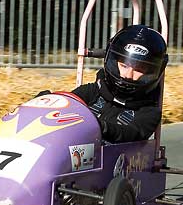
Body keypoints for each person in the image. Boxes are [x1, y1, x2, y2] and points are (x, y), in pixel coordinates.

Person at [39, 25, 168, 143]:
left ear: (151, 73)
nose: (128, 75)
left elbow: (131, 134)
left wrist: (99, 126)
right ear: (112, 62)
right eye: (124, 66)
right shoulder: (94, 91)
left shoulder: (149, 112)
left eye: (139, 70)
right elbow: (66, 105)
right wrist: (47, 102)